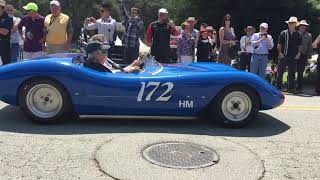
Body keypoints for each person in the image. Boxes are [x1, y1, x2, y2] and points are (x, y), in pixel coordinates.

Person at [277, 17, 302, 93]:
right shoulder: (283, 33)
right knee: (280, 72)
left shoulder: (298, 34)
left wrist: (298, 54)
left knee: (292, 73)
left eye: (292, 23)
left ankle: (290, 89)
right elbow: (279, 44)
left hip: (293, 56)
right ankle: (278, 88)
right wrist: (280, 53)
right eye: (289, 23)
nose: (290, 24)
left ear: (295, 24)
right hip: (284, 55)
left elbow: (300, 45)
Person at [296, 20, 312, 93]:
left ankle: (299, 87)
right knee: (292, 71)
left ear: (306, 27)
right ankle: (290, 86)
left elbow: (310, 47)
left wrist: (309, 56)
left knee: (300, 72)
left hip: (303, 55)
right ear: (299, 26)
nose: (303, 27)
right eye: (302, 25)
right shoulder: (295, 33)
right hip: (294, 54)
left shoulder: (309, 35)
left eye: (304, 25)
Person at [0, 0, 13, 65]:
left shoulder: (8, 18)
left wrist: (2, 30)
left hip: (4, 45)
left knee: (6, 65)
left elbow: (5, 32)